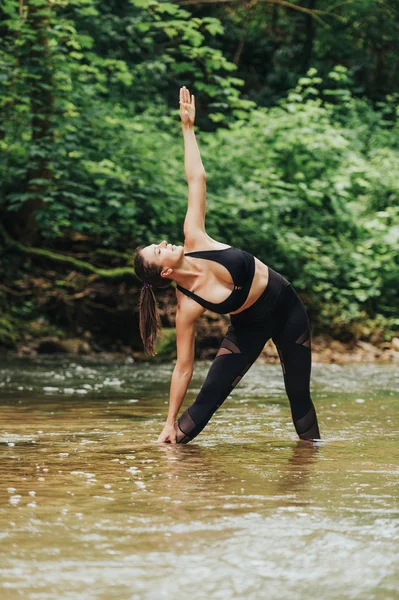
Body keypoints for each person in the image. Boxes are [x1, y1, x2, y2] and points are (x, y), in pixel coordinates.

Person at [133, 86, 321, 444]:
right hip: (247, 327)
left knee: (298, 395)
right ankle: (168, 468)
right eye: (157, 252)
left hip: (286, 308)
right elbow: (183, 368)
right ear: (166, 273)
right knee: (198, 414)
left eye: (155, 244)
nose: (162, 243)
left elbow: (196, 179)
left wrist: (188, 129)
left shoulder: (195, 238)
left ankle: (307, 472)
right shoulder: (186, 306)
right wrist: (169, 420)